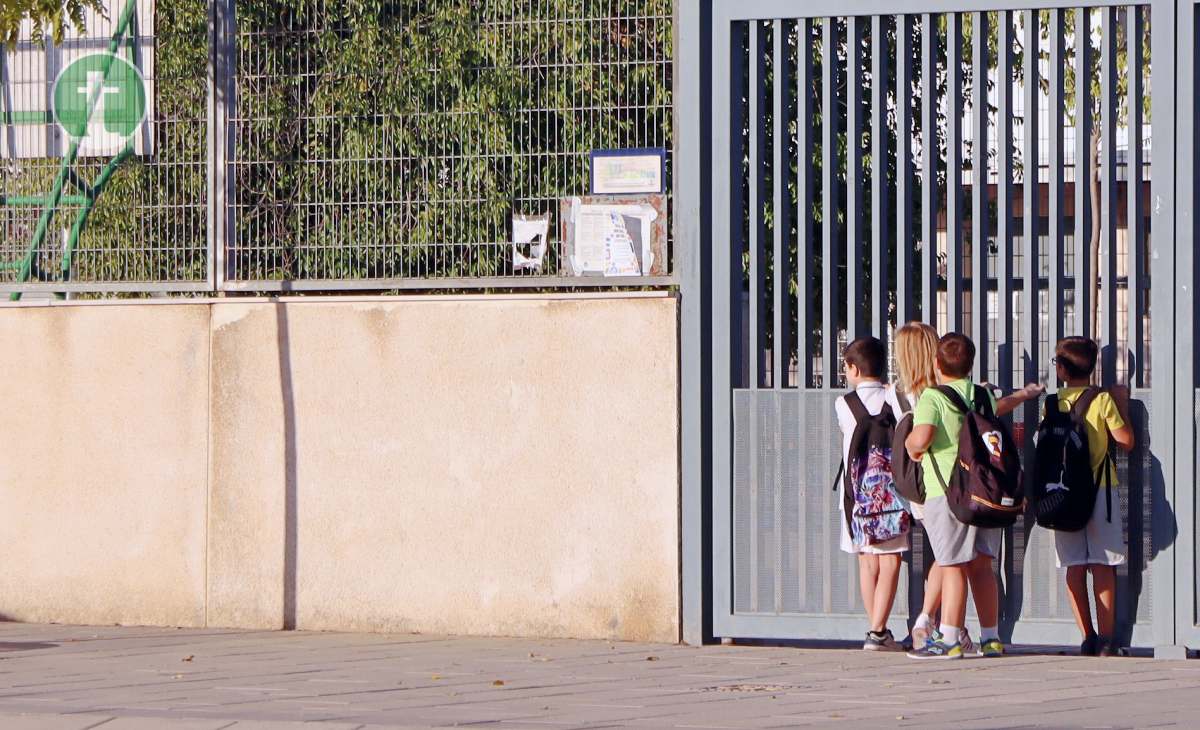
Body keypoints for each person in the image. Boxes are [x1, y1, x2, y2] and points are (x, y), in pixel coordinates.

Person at [903, 333, 1041, 659]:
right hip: (985, 494)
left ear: (936, 364)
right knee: (982, 567)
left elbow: (921, 439)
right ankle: (991, 638)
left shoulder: (932, 398)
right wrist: (1023, 395)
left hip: (949, 495)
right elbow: (998, 408)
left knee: (952, 565)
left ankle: (949, 638)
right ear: (970, 365)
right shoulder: (980, 395)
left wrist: (911, 446)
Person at [1049, 337, 1136, 656]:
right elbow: (1126, 441)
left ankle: (1086, 636)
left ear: (1061, 370)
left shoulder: (1053, 401)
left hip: (1062, 493)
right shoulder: (1101, 400)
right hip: (1100, 489)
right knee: (1102, 565)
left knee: (1073, 565)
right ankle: (1107, 640)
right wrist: (1122, 404)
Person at [834, 336, 909, 651]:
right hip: (893, 495)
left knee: (867, 560)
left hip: (856, 497)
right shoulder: (894, 398)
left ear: (852, 368)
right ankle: (878, 632)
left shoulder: (843, 404)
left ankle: (876, 629)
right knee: (890, 560)